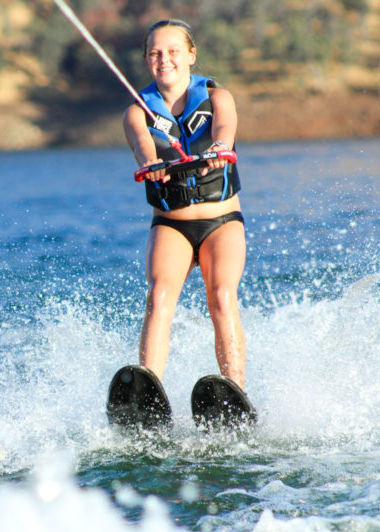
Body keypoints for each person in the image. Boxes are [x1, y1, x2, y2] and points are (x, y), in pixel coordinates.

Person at [123, 19, 247, 389]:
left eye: (173, 51)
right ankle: (149, 392)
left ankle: (235, 391)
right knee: (159, 295)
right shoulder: (136, 112)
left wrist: (218, 149)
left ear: (191, 55)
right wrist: (150, 163)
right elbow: (141, 145)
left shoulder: (218, 98)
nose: (165, 60)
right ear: (147, 60)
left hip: (221, 220)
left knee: (222, 297)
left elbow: (224, 129)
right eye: (156, 53)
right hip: (171, 224)